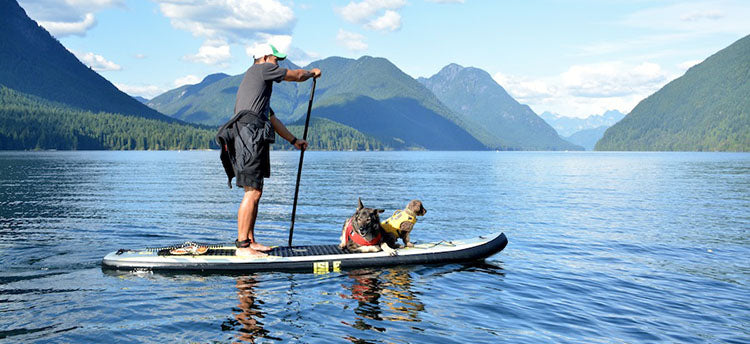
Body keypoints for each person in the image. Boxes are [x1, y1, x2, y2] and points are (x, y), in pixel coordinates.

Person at [216, 44, 321, 256]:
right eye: (276, 59)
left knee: (256, 190)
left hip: (254, 134)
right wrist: (311, 73)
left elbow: (273, 120)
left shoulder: (259, 92)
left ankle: (250, 241)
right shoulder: (260, 70)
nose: (278, 63)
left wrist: (293, 140)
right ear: (264, 57)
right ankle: (242, 246)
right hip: (249, 134)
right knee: (252, 191)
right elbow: (297, 75)